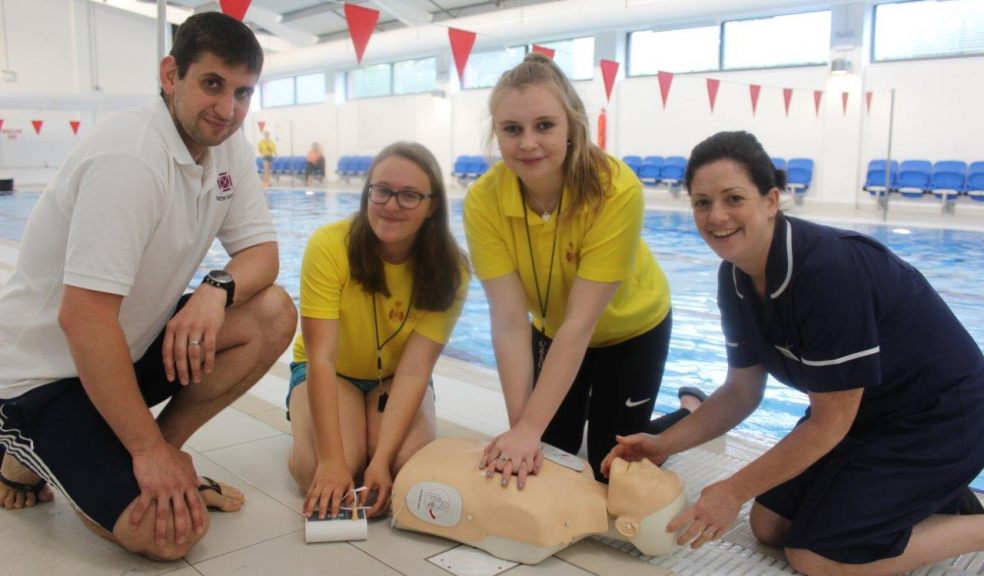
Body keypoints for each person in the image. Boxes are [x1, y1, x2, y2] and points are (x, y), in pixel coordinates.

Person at [603, 130, 984, 575]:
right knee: (771, 525)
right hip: (870, 412)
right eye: (702, 202)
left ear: (771, 200)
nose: (716, 216)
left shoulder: (827, 273)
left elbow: (829, 423)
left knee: (817, 557)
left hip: (941, 418)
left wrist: (730, 490)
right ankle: (930, 494)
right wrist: (662, 444)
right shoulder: (736, 277)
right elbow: (742, 391)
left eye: (733, 198)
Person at [0, 12, 297, 561]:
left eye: (243, 92)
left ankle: (162, 454)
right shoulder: (132, 157)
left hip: (121, 351)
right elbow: (83, 318)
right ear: (170, 75)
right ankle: (24, 448)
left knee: (272, 312)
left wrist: (215, 289)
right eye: (212, 84)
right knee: (166, 537)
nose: (228, 109)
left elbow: (264, 255)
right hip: (42, 377)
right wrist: (143, 450)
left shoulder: (228, 147)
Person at [462, 52, 677, 486]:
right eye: (511, 129)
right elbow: (508, 322)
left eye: (544, 125)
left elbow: (581, 323)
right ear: (496, 133)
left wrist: (526, 432)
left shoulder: (615, 189)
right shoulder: (483, 201)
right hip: (552, 331)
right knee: (550, 449)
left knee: (609, 464)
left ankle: (688, 413)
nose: (528, 143)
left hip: (630, 331)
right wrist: (522, 431)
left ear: (571, 125)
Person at [286, 141, 469, 520]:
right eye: (382, 190)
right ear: (368, 191)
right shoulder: (330, 246)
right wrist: (333, 461)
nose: (390, 204)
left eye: (409, 196)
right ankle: (325, 430)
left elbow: (416, 370)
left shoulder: (450, 270)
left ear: (432, 204)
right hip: (332, 373)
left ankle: (373, 443)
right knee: (321, 471)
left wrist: (382, 460)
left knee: (406, 471)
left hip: (396, 379)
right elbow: (321, 357)